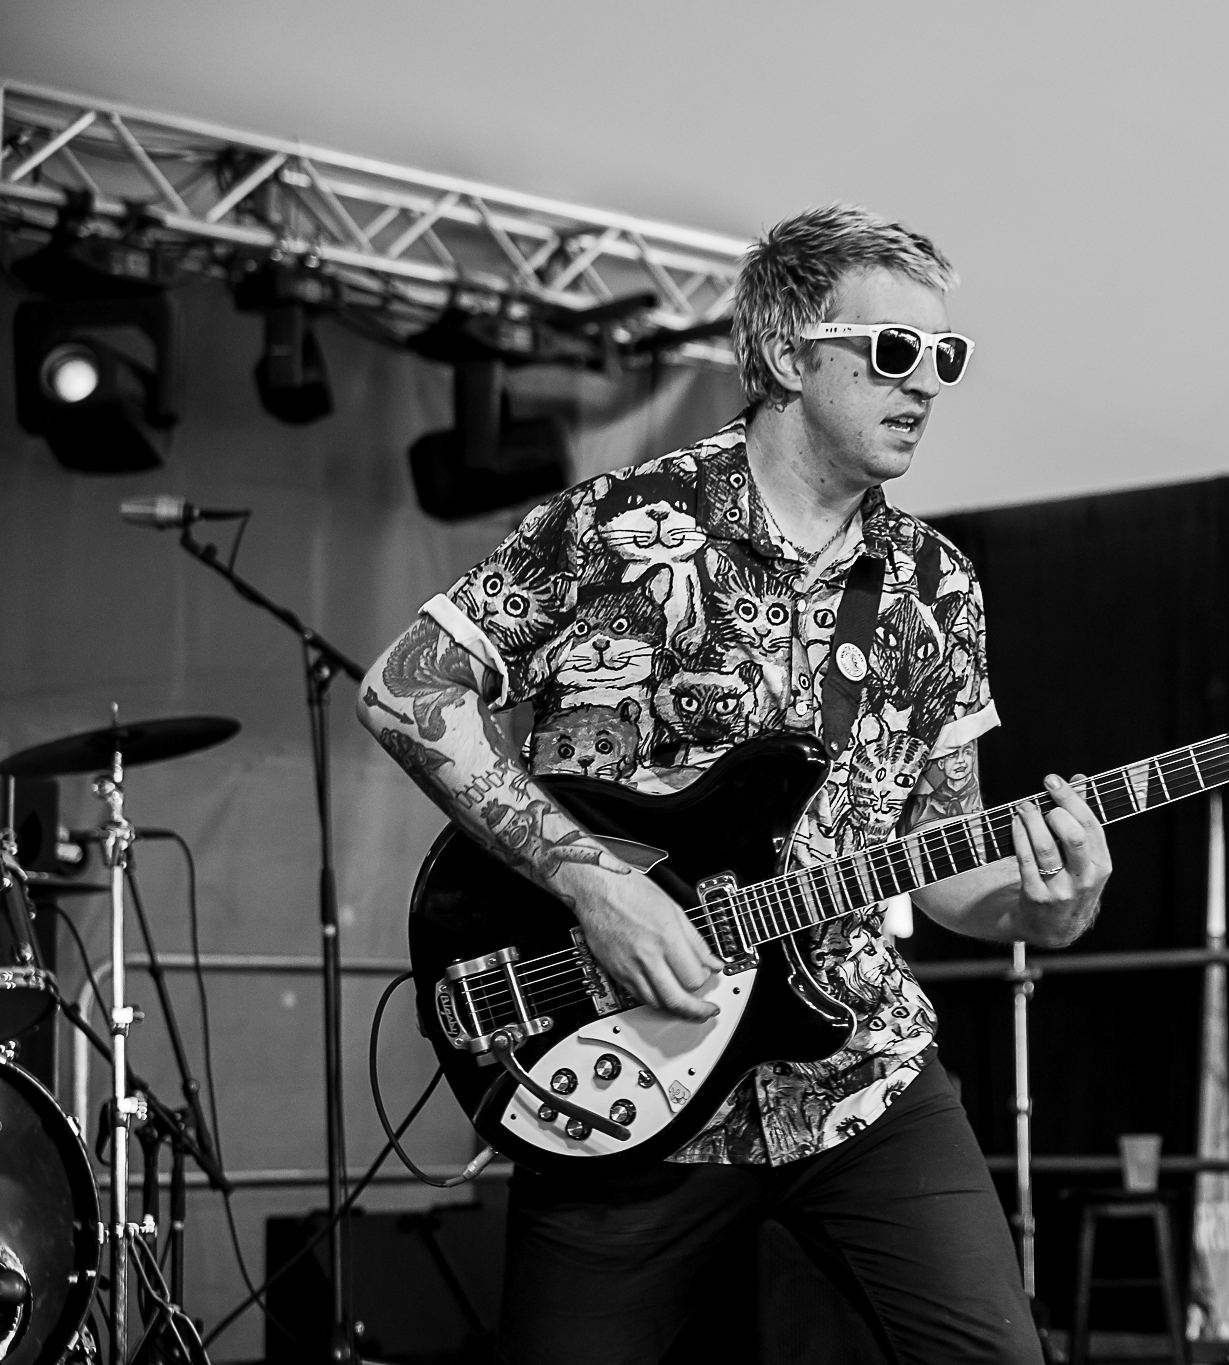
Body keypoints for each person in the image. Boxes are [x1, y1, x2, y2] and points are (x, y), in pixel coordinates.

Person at [357, 204, 1112, 1365]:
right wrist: (598, 886)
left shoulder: (937, 584)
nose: (926, 382)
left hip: (857, 1072)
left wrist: (1047, 908)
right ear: (785, 355)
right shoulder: (615, 528)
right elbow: (405, 687)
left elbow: (943, 858)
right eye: (893, 350)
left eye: (944, 354)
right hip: (628, 1084)